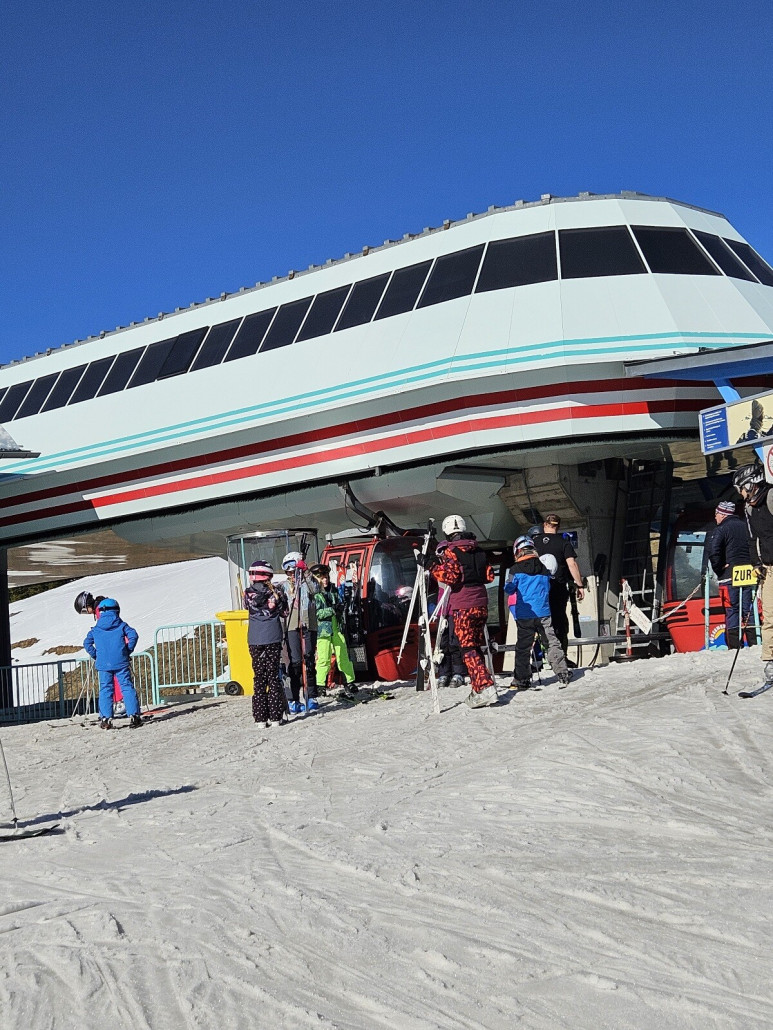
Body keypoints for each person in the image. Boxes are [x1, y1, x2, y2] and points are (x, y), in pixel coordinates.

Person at [425, 515, 497, 709]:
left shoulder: (452, 551)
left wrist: (432, 566)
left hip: (463, 604)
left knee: (468, 648)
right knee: (475, 646)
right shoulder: (478, 550)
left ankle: (485, 687)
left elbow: (450, 577)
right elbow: (489, 575)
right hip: (481, 602)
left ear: (447, 532)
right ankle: (479, 686)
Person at [504, 536, 571, 689]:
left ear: (518, 551)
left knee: (523, 647)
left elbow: (509, 588)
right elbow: (548, 587)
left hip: (524, 613)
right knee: (551, 642)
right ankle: (562, 672)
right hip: (543, 612)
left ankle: (522, 679)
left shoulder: (515, 569)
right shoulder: (543, 568)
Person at [734, 463, 773, 685]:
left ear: (752, 484)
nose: (741, 493)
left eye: (742, 488)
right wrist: (756, 563)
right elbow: (752, 539)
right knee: (770, 616)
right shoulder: (749, 509)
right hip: (768, 568)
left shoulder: (771, 497)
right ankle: (771, 661)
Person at [530, 514, 585, 657]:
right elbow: (572, 564)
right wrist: (580, 585)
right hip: (558, 588)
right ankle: (560, 656)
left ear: (544, 525)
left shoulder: (534, 543)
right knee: (559, 622)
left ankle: (541, 656)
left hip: (538, 590)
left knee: (540, 622)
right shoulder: (563, 542)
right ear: (558, 526)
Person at [82, 598, 142, 729]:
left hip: (103, 664)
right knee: (126, 687)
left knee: (105, 689)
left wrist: (96, 655)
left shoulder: (96, 629)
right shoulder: (122, 625)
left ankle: (106, 718)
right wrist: (127, 650)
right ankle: (134, 716)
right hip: (121, 661)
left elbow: (86, 643)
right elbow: (133, 635)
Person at [244, 559, 289, 727]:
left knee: (259, 677)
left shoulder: (247, 593)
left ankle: (260, 718)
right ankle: (276, 716)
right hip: (273, 637)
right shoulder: (276, 592)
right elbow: (285, 612)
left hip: (255, 639)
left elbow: (246, 608)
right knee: (273, 676)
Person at [707, 499, 758, 649]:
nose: (715, 517)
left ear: (723, 514)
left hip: (729, 576)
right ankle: (754, 642)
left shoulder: (721, 529)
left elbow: (713, 551)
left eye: (716, 513)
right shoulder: (746, 526)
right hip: (749, 574)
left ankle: (734, 645)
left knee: (732, 610)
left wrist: (719, 569)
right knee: (749, 610)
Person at [309, 564, 356, 695]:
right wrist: (333, 610)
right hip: (323, 630)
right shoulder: (314, 594)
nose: (325, 580)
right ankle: (320, 685)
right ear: (316, 579)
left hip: (336, 627)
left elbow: (341, 602)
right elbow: (316, 614)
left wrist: (342, 604)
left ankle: (349, 682)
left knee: (343, 655)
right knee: (324, 658)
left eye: (326, 577)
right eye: (322, 577)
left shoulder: (333, 590)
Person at [281, 551, 319, 713]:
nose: (290, 574)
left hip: (307, 624)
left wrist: (306, 573)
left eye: (293, 570)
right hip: (291, 626)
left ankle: (311, 696)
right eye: (288, 571)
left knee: (308, 659)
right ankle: (293, 699)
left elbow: (316, 590)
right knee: (295, 662)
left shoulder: (307, 583)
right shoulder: (284, 586)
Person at [75, 591, 126, 710]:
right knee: (119, 677)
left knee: (112, 678)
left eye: (85, 610)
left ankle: (119, 701)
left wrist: (98, 652)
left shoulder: (100, 611)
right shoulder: (104, 606)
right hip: (116, 645)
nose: (87, 613)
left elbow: (105, 629)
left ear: (87, 604)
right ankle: (120, 701)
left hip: (109, 648)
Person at [432, 542, 466, 688]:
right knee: (442, 643)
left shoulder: (456, 569)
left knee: (454, 642)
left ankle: (458, 672)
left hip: (453, 609)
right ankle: (444, 672)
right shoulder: (440, 571)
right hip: (442, 610)